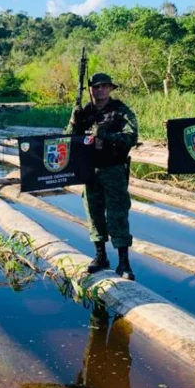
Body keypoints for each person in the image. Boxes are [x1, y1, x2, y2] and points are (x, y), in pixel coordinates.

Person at [65, 73, 139, 280]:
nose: (100, 90)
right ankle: (100, 257)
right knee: (94, 213)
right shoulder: (85, 111)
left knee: (118, 214)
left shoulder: (120, 110)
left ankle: (124, 263)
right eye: (96, 87)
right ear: (90, 89)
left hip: (113, 168)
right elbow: (68, 139)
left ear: (111, 89)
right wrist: (74, 120)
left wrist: (104, 136)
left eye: (105, 86)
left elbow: (131, 138)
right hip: (89, 170)